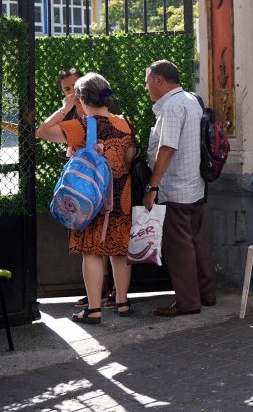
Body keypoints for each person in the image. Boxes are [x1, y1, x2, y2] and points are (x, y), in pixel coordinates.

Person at [36, 72, 135, 323]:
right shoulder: (124, 123)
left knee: (91, 251)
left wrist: (64, 108)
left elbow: (42, 131)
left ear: (81, 97)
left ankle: (93, 309)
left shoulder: (81, 126)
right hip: (121, 195)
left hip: (93, 198)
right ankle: (122, 301)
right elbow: (130, 156)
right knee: (119, 249)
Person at [143, 60, 216, 317]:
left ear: (159, 81)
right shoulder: (192, 99)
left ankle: (187, 302)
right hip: (195, 184)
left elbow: (167, 148)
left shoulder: (172, 106)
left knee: (179, 247)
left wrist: (153, 185)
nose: (146, 88)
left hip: (176, 188)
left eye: (147, 82)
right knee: (198, 240)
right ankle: (207, 294)